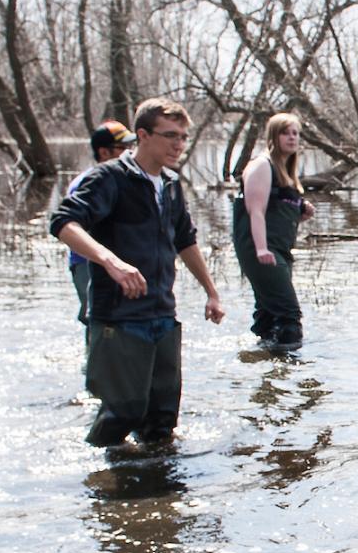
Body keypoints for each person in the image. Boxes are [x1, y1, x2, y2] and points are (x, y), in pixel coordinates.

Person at [51, 98, 226, 447]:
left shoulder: (172, 185)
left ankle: (157, 492)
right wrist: (110, 262)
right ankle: (100, 489)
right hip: (119, 316)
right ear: (143, 135)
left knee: (162, 421)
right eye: (170, 136)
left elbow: (185, 240)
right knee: (121, 414)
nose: (178, 145)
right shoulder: (109, 178)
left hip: (162, 314)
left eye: (183, 137)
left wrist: (211, 291)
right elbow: (63, 222)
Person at [234, 112, 317, 351]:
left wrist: (300, 211)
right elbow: (255, 210)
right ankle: (289, 374)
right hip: (262, 250)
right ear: (273, 136)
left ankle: (265, 368)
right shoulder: (262, 165)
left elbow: (277, 211)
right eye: (285, 133)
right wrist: (261, 248)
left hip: (278, 249)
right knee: (289, 316)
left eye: (295, 133)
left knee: (269, 312)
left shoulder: (285, 171)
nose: (292, 138)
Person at [67, 120, 138, 328]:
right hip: (86, 263)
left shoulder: (126, 179)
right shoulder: (86, 183)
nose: (129, 153)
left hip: (118, 262)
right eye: (122, 148)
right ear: (104, 152)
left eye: (130, 147)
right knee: (98, 321)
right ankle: (93, 358)